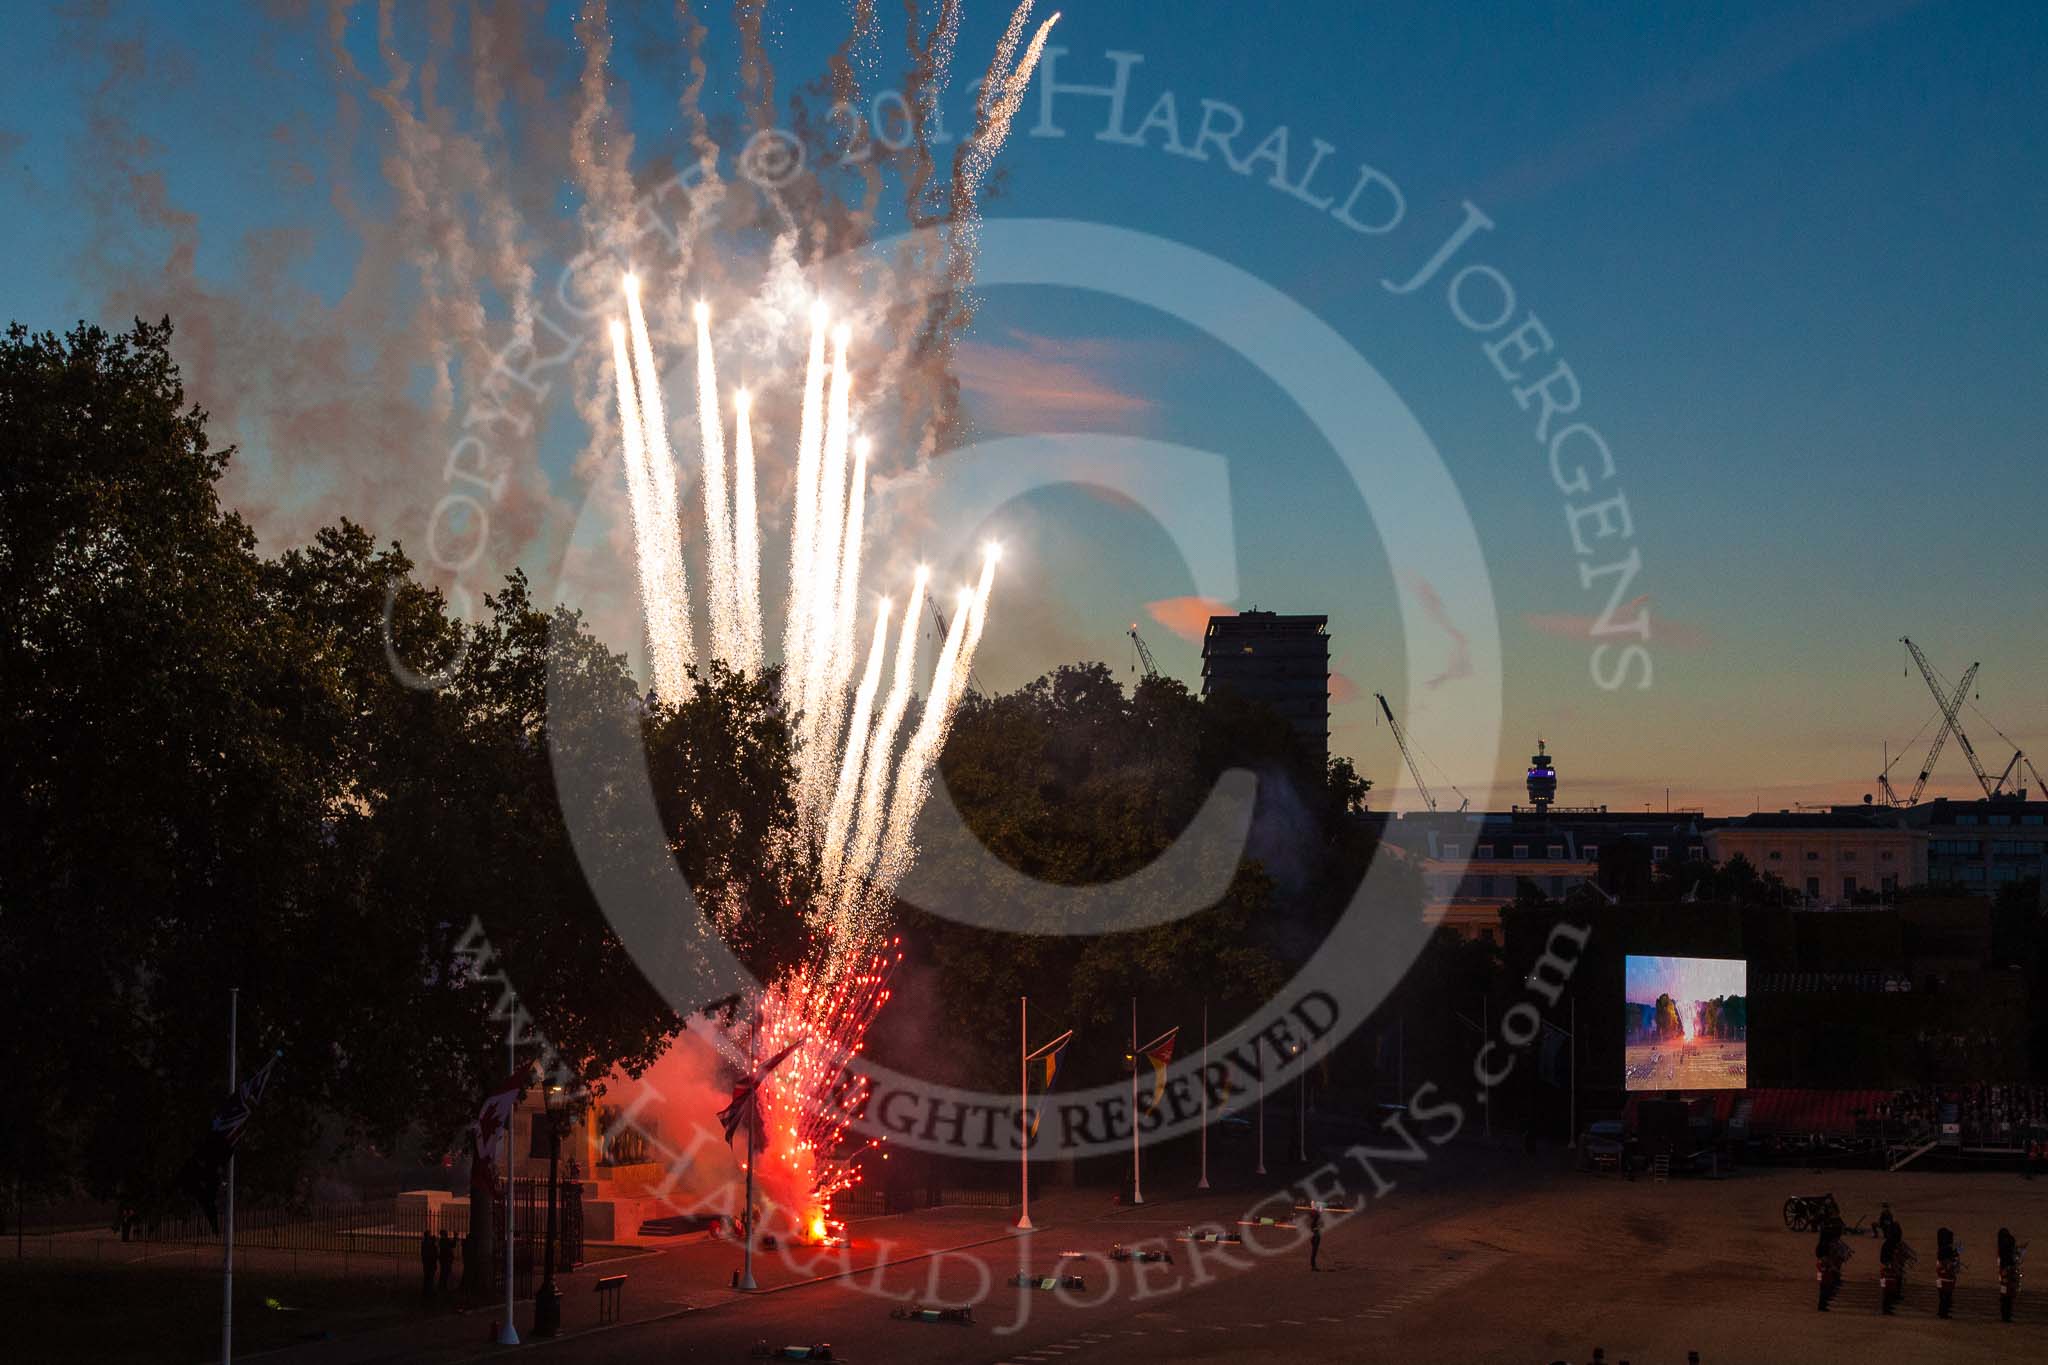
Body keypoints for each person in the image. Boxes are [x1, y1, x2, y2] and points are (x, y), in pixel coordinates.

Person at [1815, 1219, 1847, 1311]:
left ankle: (1823, 1304)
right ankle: (1822, 1305)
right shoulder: (1826, 1245)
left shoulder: (1822, 1245)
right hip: (1825, 1269)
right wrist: (1833, 1267)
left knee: (1823, 1286)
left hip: (1820, 1268)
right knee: (1825, 1286)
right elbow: (1826, 1258)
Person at [1879, 1221, 1905, 1315]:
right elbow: (1884, 1259)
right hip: (1887, 1271)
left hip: (1889, 1270)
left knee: (1890, 1289)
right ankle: (1886, 1308)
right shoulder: (1888, 1245)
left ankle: (1889, 1305)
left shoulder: (1890, 1243)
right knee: (1887, 1290)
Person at [1935, 1227, 1959, 1319]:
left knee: (1943, 1297)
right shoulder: (1946, 1254)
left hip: (1941, 1279)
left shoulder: (1942, 1252)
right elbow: (1951, 1266)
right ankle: (1943, 1313)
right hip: (1946, 1279)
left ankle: (1942, 1311)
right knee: (1945, 1297)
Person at [1998, 1227, 2021, 1323]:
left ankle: (2006, 1315)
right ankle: (2006, 1316)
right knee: (2007, 1295)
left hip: (2005, 1273)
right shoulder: (2006, 1249)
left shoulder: (2002, 1249)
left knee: (2006, 1295)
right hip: (2007, 1272)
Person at [419, 1228, 438, 1297]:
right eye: (429, 1235)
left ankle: (426, 1291)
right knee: (430, 1278)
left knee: (427, 1277)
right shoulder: (429, 1244)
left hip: (426, 1262)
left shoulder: (424, 1243)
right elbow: (434, 1252)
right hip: (430, 1262)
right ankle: (429, 1291)